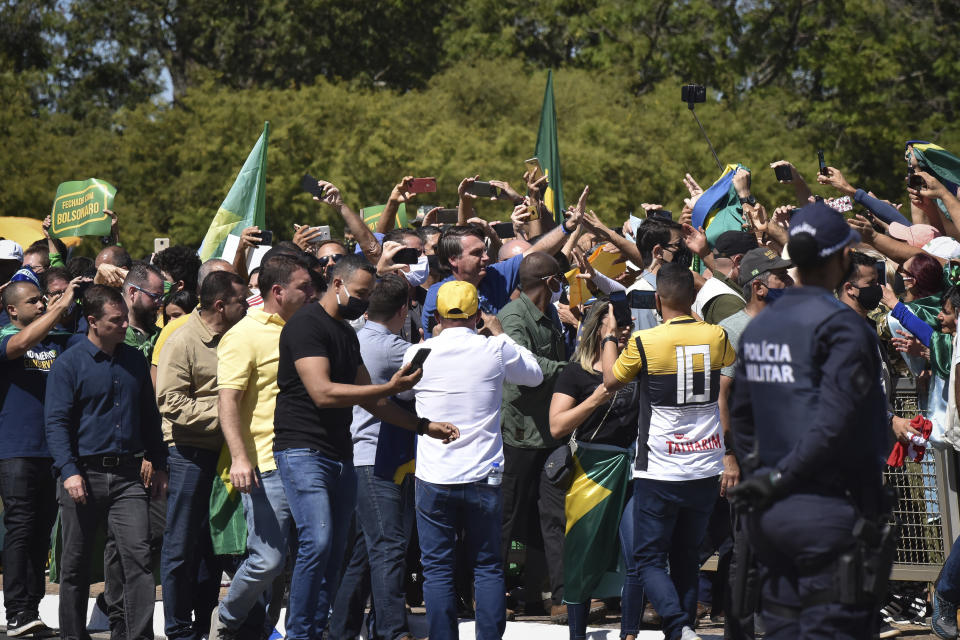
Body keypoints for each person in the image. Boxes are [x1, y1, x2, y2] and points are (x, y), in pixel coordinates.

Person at [728, 201, 891, 638]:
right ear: (842, 258)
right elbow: (837, 424)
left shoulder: (760, 326)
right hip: (829, 511)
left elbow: (741, 421)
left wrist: (763, 478)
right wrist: (783, 478)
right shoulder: (843, 326)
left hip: (770, 515)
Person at [273, 255, 457, 640]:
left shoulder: (345, 332)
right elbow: (323, 393)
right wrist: (389, 387)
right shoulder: (306, 324)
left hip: (340, 454)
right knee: (318, 541)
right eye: (359, 293)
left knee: (337, 552)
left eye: (370, 294)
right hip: (303, 449)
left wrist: (423, 426)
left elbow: (372, 403)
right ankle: (301, 632)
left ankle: (321, 629)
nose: (365, 301)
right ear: (336, 285)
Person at [602, 262, 736, 640]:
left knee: (647, 560)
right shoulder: (717, 335)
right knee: (686, 561)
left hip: (660, 468)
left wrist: (610, 337)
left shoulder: (645, 341)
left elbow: (611, 380)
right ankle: (684, 630)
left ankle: (678, 626)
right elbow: (725, 363)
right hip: (705, 467)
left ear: (658, 299)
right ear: (692, 298)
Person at [404, 280, 544, 640]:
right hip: (484, 476)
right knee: (488, 566)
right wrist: (500, 333)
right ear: (477, 314)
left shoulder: (418, 353)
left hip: (435, 476)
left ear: (435, 315)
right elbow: (535, 374)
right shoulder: (495, 349)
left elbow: (401, 392)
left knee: (437, 569)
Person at [44, 284, 168, 640]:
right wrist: (69, 471)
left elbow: (149, 416)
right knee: (76, 565)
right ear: (92, 321)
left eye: (125, 319)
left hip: (128, 476)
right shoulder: (69, 363)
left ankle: (133, 634)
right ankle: (73, 634)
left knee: (138, 560)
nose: (125, 326)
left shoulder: (133, 360)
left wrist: (158, 463)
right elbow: (56, 422)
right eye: (116, 321)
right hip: (82, 474)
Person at [215, 253, 316, 640]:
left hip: (307, 459)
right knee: (268, 559)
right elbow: (228, 401)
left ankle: (263, 631)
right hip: (264, 463)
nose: (312, 293)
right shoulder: (243, 335)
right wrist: (240, 458)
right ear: (278, 291)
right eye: (304, 287)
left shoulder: (307, 326)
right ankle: (225, 619)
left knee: (295, 560)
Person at [157, 271, 249, 640]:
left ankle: (203, 624)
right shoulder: (182, 341)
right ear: (220, 305)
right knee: (181, 546)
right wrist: (227, 410)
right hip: (189, 454)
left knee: (216, 546)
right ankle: (179, 630)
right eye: (242, 301)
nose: (248, 306)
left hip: (229, 456)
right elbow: (170, 402)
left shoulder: (239, 336)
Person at [329, 274, 419, 640]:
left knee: (367, 550)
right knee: (389, 546)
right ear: (402, 310)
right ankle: (393, 632)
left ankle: (342, 629)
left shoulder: (352, 336)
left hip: (357, 455)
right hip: (376, 459)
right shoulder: (395, 349)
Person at [497, 252, 585, 622]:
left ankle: (560, 595)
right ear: (550, 281)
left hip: (551, 436)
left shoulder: (549, 313)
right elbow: (525, 365)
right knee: (514, 526)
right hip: (520, 437)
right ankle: (511, 589)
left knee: (553, 518)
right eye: (560, 279)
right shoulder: (512, 317)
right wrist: (574, 371)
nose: (563, 284)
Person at [548, 299, 639, 640]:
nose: (624, 327)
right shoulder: (575, 373)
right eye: (616, 323)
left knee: (636, 555)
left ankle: (629, 633)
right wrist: (597, 397)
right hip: (592, 471)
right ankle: (577, 634)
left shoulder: (636, 366)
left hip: (630, 468)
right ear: (598, 328)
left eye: (628, 321)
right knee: (582, 554)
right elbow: (557, 427)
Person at [0, 277, 83, 636]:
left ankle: (30, 610)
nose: (41, 305)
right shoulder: (5, 335)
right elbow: (20, 343)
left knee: (40, 533)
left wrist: (76, 298)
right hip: (16, 450)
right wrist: (60, 307)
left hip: (54, 452)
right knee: (20, 526)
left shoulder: (58, 340)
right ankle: (16, 610)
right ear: (12, 309)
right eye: (33, 301)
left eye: (42, 300)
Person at [420, 212, 580, 338]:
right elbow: (435, 345)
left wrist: (568, 226)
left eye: (484, 250)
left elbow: (534, 253)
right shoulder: (438, 295)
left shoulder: (496, 274)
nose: (486, 257)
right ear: (453, 259)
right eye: (477, 253)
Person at [692, 231, 754, 324]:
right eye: (755, 261)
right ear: (739, 261)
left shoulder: (715, 286)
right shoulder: (729, 303)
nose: (759, 267)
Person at [122, 261, 165, 359]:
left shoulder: (162, 336)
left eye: (162, 297)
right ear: (133, 292)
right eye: (155, 296)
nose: (160, 303)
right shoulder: (112, 334)